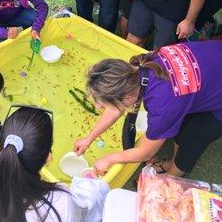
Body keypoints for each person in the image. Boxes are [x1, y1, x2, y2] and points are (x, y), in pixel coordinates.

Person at [74, 41, 222, 177]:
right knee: (182, 125)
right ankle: (171, 163)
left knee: (193, 138)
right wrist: (89, 138)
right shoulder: (140, 65)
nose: (99, 107)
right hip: (214, 62)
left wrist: (109, 159)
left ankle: (171, 178)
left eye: (104, 103)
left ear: (126, 97)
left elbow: (145, 152)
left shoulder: (163, 104)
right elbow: (115, 107)